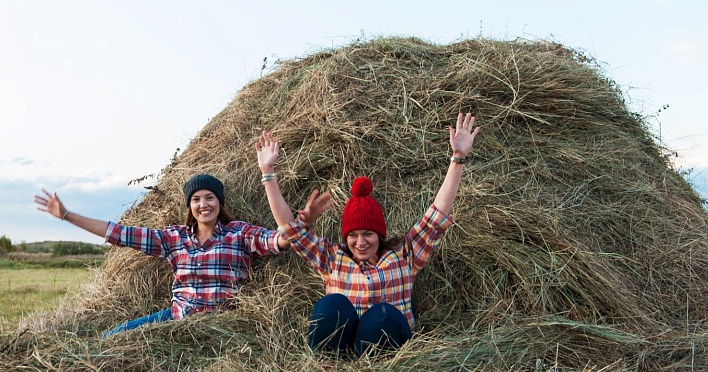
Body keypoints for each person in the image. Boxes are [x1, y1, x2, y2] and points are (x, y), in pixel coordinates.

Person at [255, 112, 479, 357]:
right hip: (343, 342)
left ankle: (372, 368)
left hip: (384, 345)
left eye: (368, 234)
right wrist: (268, 172)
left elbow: (436, 215)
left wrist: (458, 158)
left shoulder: (405, 254)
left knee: (383, 315)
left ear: (380, 234)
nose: (360, 242)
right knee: (332, 305)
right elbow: (290, 229)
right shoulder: (332, 258)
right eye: (354, 235)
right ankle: (328, 365)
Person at [35, 174, 292, 336]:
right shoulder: (174, 238)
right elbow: (119, 233)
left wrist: (291, 230)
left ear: (219, 202)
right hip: (178, 316)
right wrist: (68, 216)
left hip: (222, 322)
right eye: (197, 199)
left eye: (210, 198)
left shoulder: (239, 233)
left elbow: (277, 240)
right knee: (114, 336)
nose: (204, 205)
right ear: (190, 207)